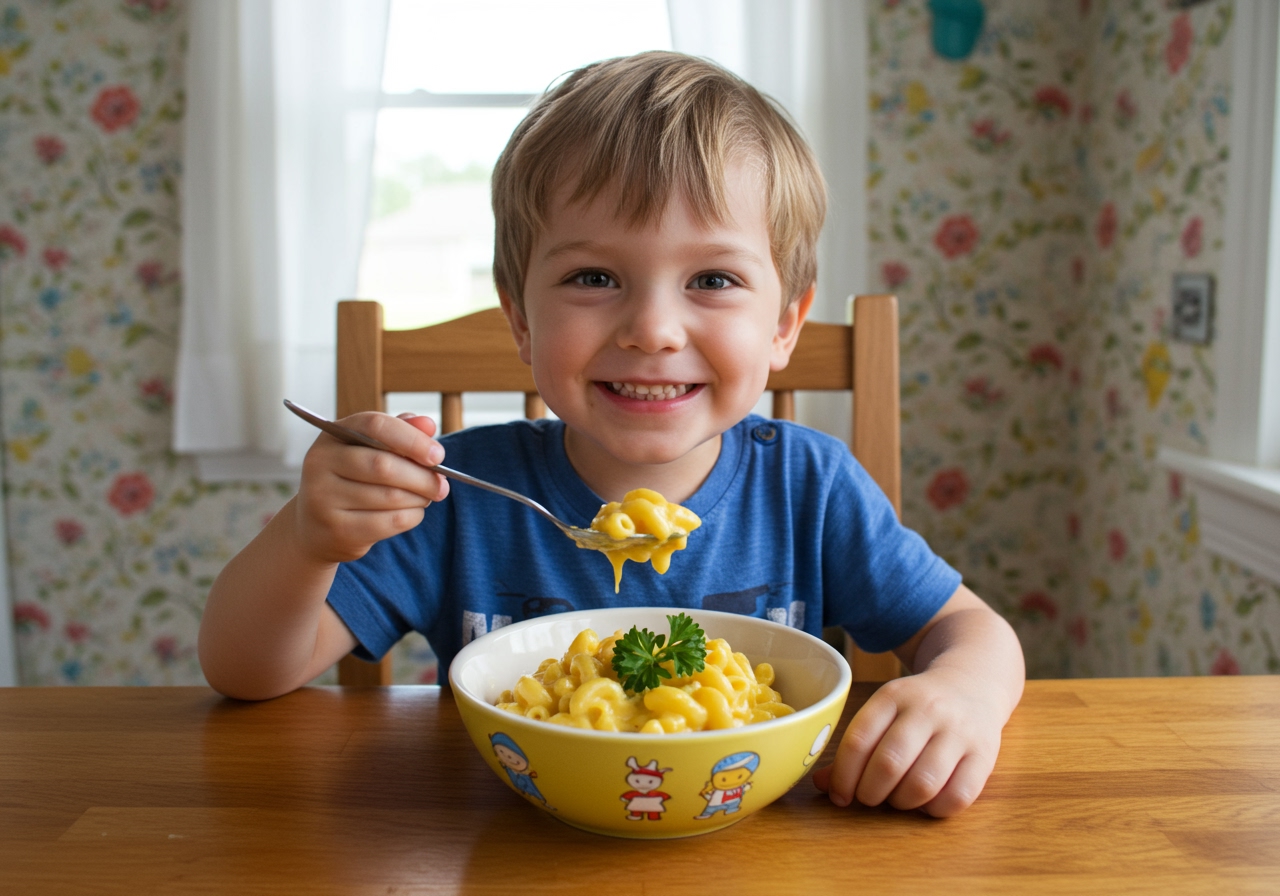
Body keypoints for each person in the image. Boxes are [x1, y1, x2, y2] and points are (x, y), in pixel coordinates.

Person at [199, 51, 1024, 818]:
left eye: (713, 279)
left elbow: (973, 631)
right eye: (594, 278)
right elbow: (244, 672)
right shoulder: (457, 497)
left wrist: (968, 693)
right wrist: (308, 541)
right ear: (521, 320)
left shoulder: (810, 488)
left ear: (785, 324)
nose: (653, 328)